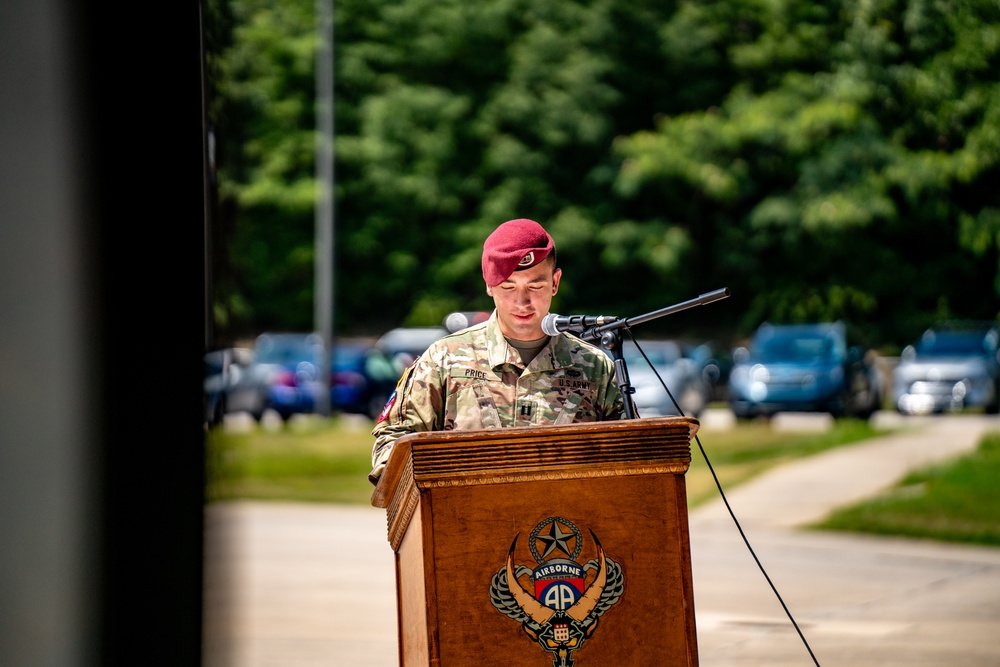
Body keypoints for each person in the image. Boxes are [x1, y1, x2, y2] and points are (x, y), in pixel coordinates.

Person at [369, 218, 626, 483]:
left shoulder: (594, 368)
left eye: (535, 286)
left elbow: (631, 457)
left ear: (555, 282)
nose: (521, 302)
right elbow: (393, 443)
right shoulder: (444, 359)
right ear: (489, 285)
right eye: (508, 287)